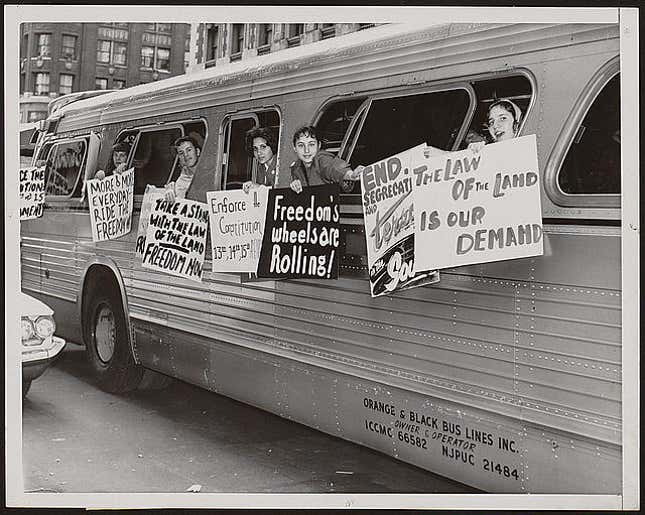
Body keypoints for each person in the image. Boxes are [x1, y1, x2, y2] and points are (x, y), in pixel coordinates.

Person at [425, 98, 523, 157]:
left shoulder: (526, 151)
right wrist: (472, 155)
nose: (495, 126)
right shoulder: (489, 150)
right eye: (491, 122)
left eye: (503, 118)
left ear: (516, 122)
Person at [289, 125, 364, 194]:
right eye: (301, 145)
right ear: (294, 148)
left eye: (311, 144)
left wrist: (350, 175)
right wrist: (295, 185)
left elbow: (333, 167)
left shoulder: (322, 159)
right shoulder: (296, 167)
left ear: (319, 145)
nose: (306, 150)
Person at [164, 136, 201, 203]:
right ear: (179, 158)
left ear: (197, 152)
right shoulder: (179, 182)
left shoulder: (210, 172)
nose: (185, 155)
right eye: (181, 153)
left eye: (189, 150)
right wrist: (168, 192)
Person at [242, 127, 278, 193]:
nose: (259, 153)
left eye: (263, 147)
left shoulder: (280, 165)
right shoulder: (261, 168)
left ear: (272, 145)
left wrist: (259, 187)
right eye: (255, 149)